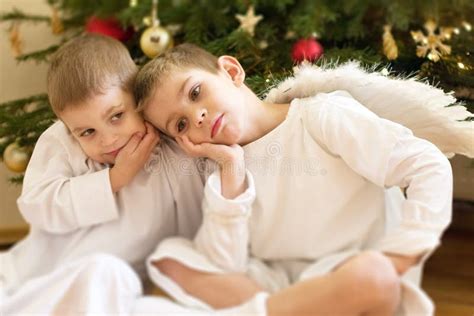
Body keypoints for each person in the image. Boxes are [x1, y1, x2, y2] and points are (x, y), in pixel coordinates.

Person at [133, 43, 466, 315]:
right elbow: (225, 263)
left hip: (350, 273)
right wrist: (231, 173)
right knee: (171, 260)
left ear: (232, 72)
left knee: (372, 275)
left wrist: (402, 255)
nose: (197, 116)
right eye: (180, 125)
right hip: (281, 285)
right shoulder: (219, 169)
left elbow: (427, 164)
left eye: (195, 93)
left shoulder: (319, 116)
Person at [0, 35, 256, 313]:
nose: (108, 139)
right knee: (102, 273)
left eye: (116, 116)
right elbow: (37, 206)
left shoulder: (177, 147)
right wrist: (115, 179)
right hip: (36, 281)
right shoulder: (63, 141)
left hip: (113, 289)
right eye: (87, 132)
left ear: (136, 99)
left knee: (110, 278)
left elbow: (202, 228)